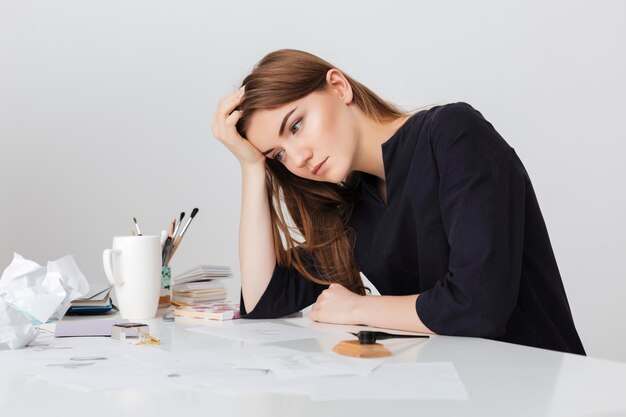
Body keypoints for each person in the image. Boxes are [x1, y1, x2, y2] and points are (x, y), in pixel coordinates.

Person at [211, 49, 586, 355]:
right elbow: (263, 302)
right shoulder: (354, 204)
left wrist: (357, 308)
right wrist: (252, 166)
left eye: (296, 126)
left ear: (338, 87)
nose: (297, 159)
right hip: (453, 392)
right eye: (278, 155)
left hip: (535, 385)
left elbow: (478, 307)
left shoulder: (453, 134)